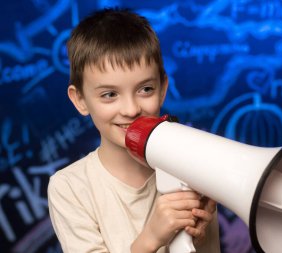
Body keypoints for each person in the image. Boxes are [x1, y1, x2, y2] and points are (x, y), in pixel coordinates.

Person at [47, 8, 221, 253]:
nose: (130, 110)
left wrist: (199, 240)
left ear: (163, 88)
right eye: (109, 94)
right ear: (80, 100)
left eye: (145, 89)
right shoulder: (69, 188)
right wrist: (151, 238)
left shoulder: (190, 170)